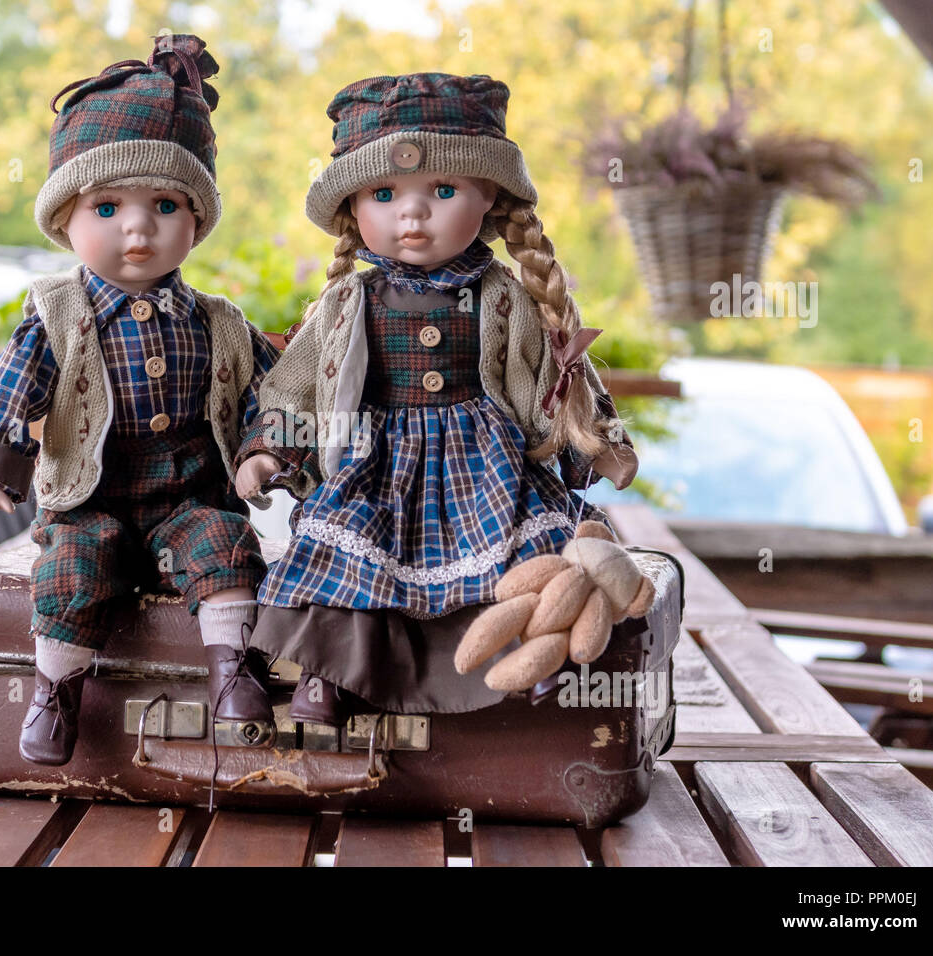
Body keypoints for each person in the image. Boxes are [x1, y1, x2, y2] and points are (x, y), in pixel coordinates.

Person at [233, 72, 639, 726]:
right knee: (341, 546)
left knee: (525, 553)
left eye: (442, 192)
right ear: (355, 209)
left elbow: (559, 378)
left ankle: (531, 662)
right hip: (377, 465)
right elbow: (297, 386)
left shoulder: (508, 297)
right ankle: (329, 673)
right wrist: (268, 447)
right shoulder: (348, 303)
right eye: (385, 195)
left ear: (488, 198)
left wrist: (594, 446)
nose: (411, 214)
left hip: (486, 465)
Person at [0, 35, 280, 766]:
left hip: (189, 496)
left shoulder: (219, 323)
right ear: (65, 221)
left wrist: (263, 449)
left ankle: (232, 673)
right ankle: (55, 690)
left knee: (224, 544)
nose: (138, 228)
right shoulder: (58, 318)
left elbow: (277, 389)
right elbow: (7, 392)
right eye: (108, 207)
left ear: (196, 221)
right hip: (89, 500)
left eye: (165, 205)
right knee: (75, 564)